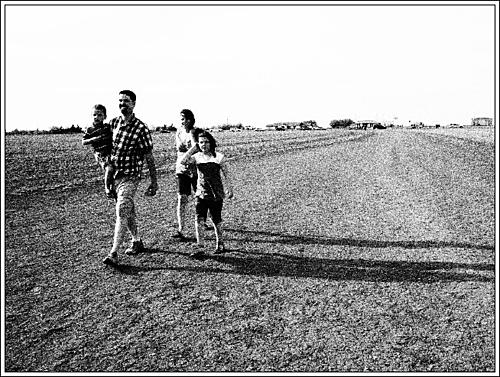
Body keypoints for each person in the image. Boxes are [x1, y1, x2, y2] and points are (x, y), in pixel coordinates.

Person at [102, 90, 158, 266]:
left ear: (134, 104)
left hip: (131, 177)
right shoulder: (113, 124)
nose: (122, 104)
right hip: (114, 176)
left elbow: (149, 156)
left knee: (122, 209)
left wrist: (154, 182)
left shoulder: (141, 128)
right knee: (128, 211)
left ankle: (113, 253)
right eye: (120, 101)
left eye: (126, 101)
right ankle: (137, 241)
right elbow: (101, 145)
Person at [180, 130, 233, 258]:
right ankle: (200, 247)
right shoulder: (197, 157)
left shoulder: (219, 157)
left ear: (211, 143)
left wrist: (230, 188)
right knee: (199, 219)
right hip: (201, 193)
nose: (204, 145)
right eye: (201, 142)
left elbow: (226, 174)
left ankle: (220, 243)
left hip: (215, 194)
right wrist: (193, 148)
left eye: (206, 142)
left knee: (216, 219)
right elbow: (183, 161)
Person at [172, 109, 209, 241]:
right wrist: (181, 161)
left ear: (190, 119)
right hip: (182, 170)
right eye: (181, 119)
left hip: (194, 169)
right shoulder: (179, 132)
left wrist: (187, 156)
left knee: (200, 197)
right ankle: (181, 228)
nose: (182, 121)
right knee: (182, 198)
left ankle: (203, 221)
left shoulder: (194, 132)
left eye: (184, 118)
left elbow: (196, 147)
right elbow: (178, 149)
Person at [82, 104, 116, 199]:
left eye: (99, 115)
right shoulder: (90, 129)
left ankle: (112, 187)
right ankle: (106, 188)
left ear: (105, 117)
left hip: (110, 152)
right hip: (100, 154)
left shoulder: (107, 127)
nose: (96, 117)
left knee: (114, 170)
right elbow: (83, 141)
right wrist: (94, 139)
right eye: (94, 115)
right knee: (109, 168)